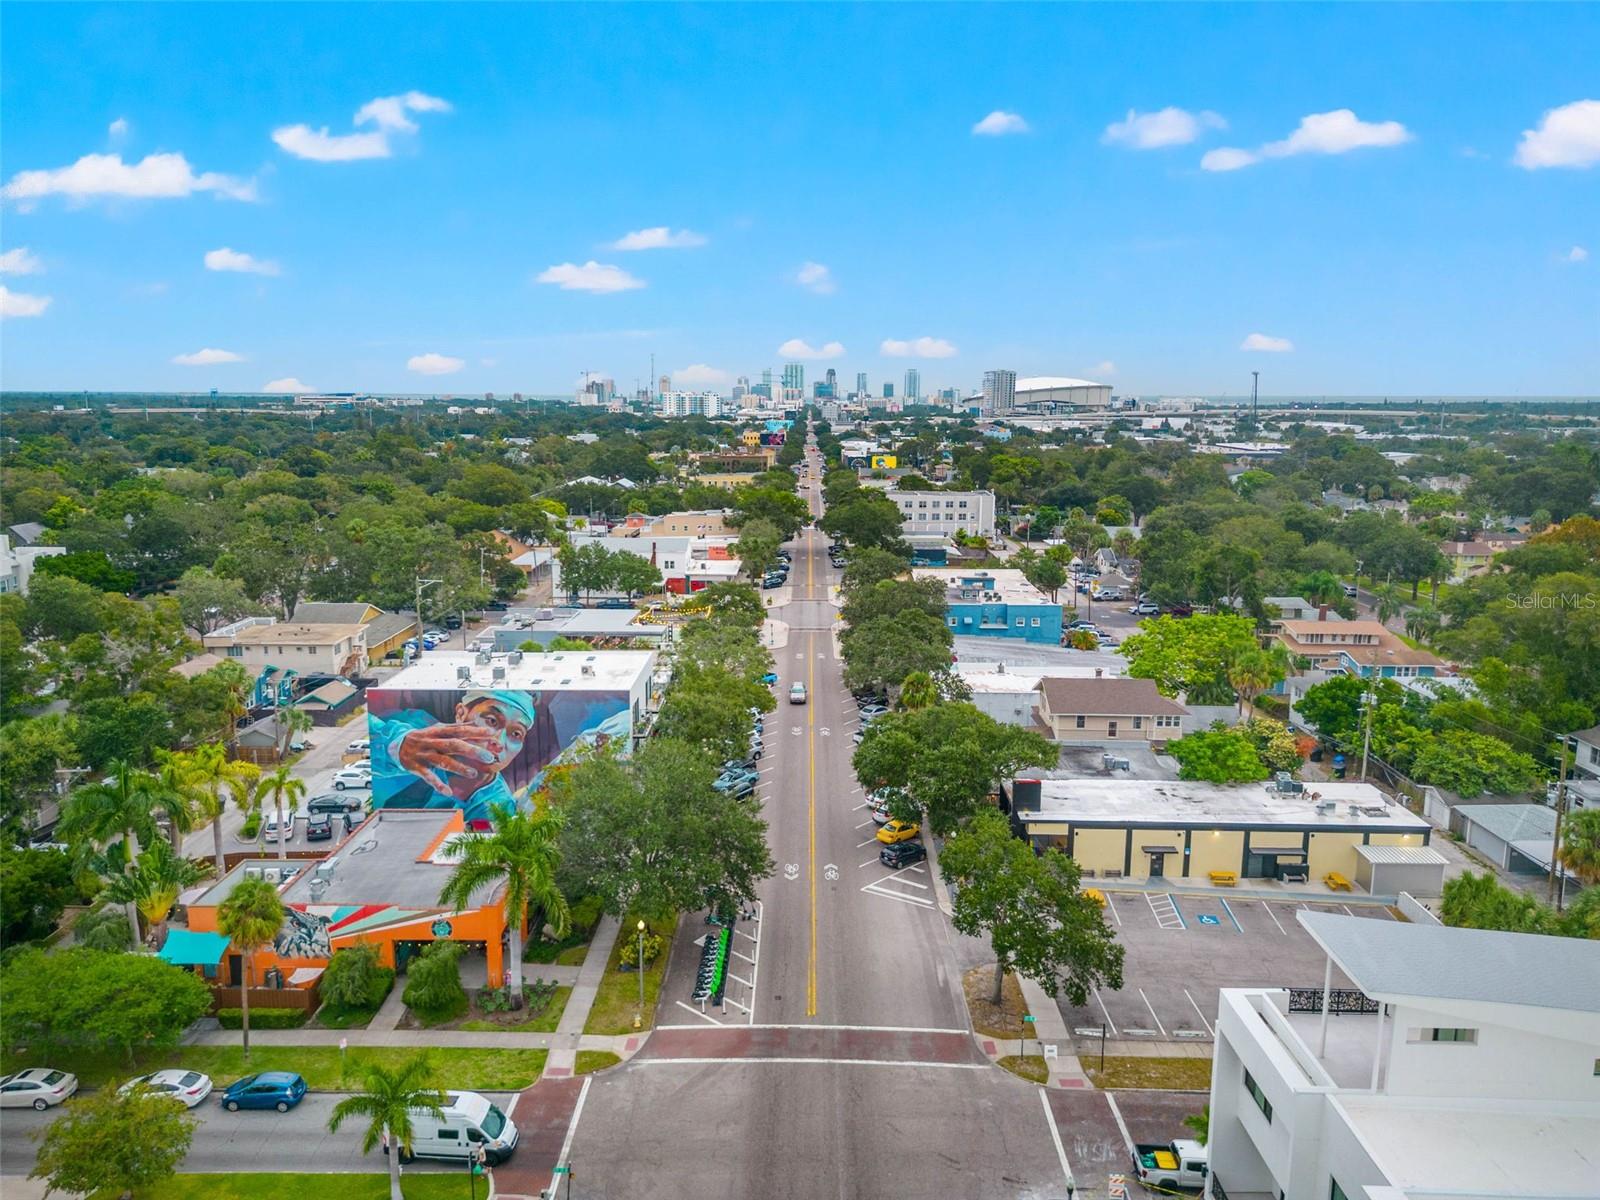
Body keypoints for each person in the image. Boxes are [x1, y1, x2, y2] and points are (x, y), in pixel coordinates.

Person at [370, 690, 538, 824]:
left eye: (516, 734)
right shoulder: (416, 725)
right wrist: (397, 746)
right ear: (460, 713)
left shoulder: (498, 807)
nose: (498, 742)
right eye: (492, 721)